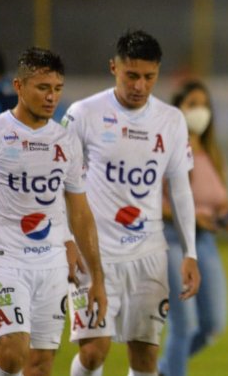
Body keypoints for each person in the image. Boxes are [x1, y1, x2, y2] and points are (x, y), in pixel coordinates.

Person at [62, 30, 200, 376]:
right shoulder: (84, 114)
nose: (140, 85)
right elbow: (61, 183)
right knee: (93, 352)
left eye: (149, 77)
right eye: (132, 75)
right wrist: (65, 239)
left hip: (148, 255)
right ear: (114, 68)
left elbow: (180, 189)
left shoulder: (171, 120)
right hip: (94, 254)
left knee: (145, 356)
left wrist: (190, 252)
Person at [0, 47, 107, 376]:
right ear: (19, 86)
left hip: (52, 263)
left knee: (40, 364)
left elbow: (79, 211)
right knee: (12, 354)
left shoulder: (66, 142)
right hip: (4, 259)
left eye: (57, 88)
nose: (51, 97)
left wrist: (96, 275)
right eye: (43, 88)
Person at [158, 81, 228, 376]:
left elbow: (221, 200)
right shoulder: (165, 148)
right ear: (177, 108)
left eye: (204, 105)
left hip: (204, 241)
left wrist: (226, 215)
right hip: (171, 239)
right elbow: (149, 202)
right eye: (192, 104)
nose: (200, 111)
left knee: (213, 324)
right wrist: (190, 218)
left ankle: (160, 370)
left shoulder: (212, 152)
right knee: (184, 325)